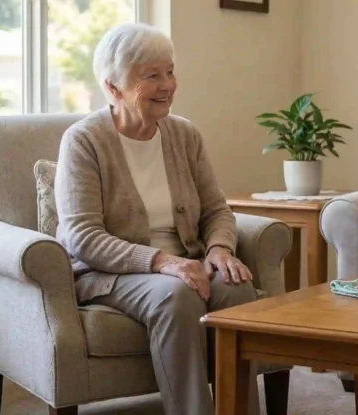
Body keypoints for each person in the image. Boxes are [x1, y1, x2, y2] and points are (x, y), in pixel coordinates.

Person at [54, 22, 261, 415]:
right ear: (113, 87)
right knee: (176, 294)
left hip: (184, 262)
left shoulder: (184, 135)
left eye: (169, 72)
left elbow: (217, 210)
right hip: (111, 273)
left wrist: (218, 249)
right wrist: (163, 263)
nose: (167, 84)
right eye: (152, 76)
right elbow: (81, 236)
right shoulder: (83, 141)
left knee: (236, 286)